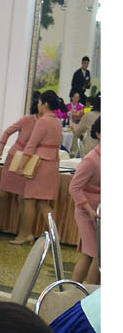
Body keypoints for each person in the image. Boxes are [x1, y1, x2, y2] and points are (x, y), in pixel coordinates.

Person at [11, 90, 64, 246]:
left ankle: (26, 234)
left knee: (29, 200)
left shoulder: (43, 121)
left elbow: (31, 145)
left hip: (40, 164)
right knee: (43, 203)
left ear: (45, 104)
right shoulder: (57, 121)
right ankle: (56, 235)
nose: (38, 105)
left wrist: (21, 166)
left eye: (40, 103)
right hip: (52, 163)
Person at [0, 96, 39, 237]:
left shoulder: (45, 124)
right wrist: (1, 150)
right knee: (2, 194)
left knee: (23, 198)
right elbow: (7, 132)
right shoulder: (27, 120)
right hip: (14, 157)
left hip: (29, 161)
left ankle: (23, 232)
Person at [69, 119, 101, 284]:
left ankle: (75, 289)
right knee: (96, 254)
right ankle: (89, 295)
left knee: (90, 255)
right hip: (88, 212)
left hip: (99, 211)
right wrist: (89, 210)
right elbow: (74, 188)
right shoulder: (91, 159)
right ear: (98, 134)